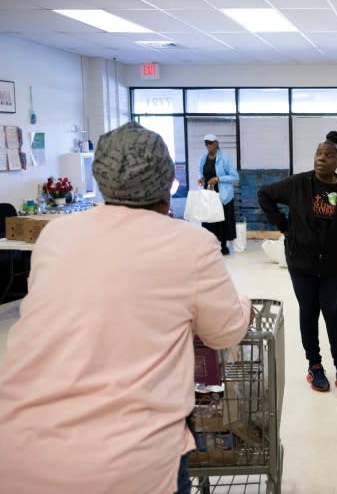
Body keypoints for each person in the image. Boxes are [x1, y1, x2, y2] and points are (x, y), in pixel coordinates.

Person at [0, 122, 252, 494]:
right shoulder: (190, 244)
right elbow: (225, 332)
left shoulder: (56, 235)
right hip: (130, 463)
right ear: (168, 181)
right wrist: (242, 304)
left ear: (100, 179)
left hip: (20, 449)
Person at [257, 130, 337, 399]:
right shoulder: (298, 184)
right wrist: (284, 227)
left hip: (331, 264)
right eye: (318, 153)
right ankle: (314, 365)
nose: (321, 159)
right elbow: (264, 194)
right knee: (309, 310)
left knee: (333, 311)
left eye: (328, 155)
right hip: (300, 262)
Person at [198, 133, 239, 255]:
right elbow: (203, 172)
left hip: (222, 195)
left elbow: (235, 177)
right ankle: (210, 244)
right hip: (208, 193)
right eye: (206, 143)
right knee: (209, 220)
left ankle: (223, 245)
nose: (208, 145)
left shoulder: (224, 158)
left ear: (216, 144)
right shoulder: (203, 158)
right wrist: (202, 179)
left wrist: (218, 179)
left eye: (210, 143)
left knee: (221, 219)